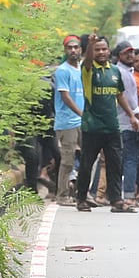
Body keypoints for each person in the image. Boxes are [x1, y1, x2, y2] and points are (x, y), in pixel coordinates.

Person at [77, 35, 139, 213]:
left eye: (104, 49)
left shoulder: (114, 71)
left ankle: (116, 201)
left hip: (112, 127)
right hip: (92, 126)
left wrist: (132, 116)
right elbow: (87, 61)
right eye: (97, 49)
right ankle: (81, 198)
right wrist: (90, 45)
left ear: (109, 50)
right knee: (87, 164)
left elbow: (120, 95)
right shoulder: (88, 70)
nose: (101, 52)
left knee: (115, 164)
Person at [114, 41, 139, 208]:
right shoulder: (123, 74)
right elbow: (129, 100)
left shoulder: (126, 72)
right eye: (126, 53)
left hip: (122, 122)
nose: (130, 55)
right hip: (127, 123)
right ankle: (128, 195)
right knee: (129, 159)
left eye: (131, 52)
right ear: (119, 55)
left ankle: (110, 195)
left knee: (118, 160)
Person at [52, 36, 85, 205]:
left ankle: (83, 193)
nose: (73, 50)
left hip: (83, 121)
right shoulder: (62, 71)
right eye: (69, 48)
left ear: (80, 49)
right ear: (65, 50)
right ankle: (62, 195)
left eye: (76, 47)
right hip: (67, 122)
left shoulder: (82, 69)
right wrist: (81, 113)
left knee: (88, 158)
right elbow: (65, 97)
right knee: (68, 160)